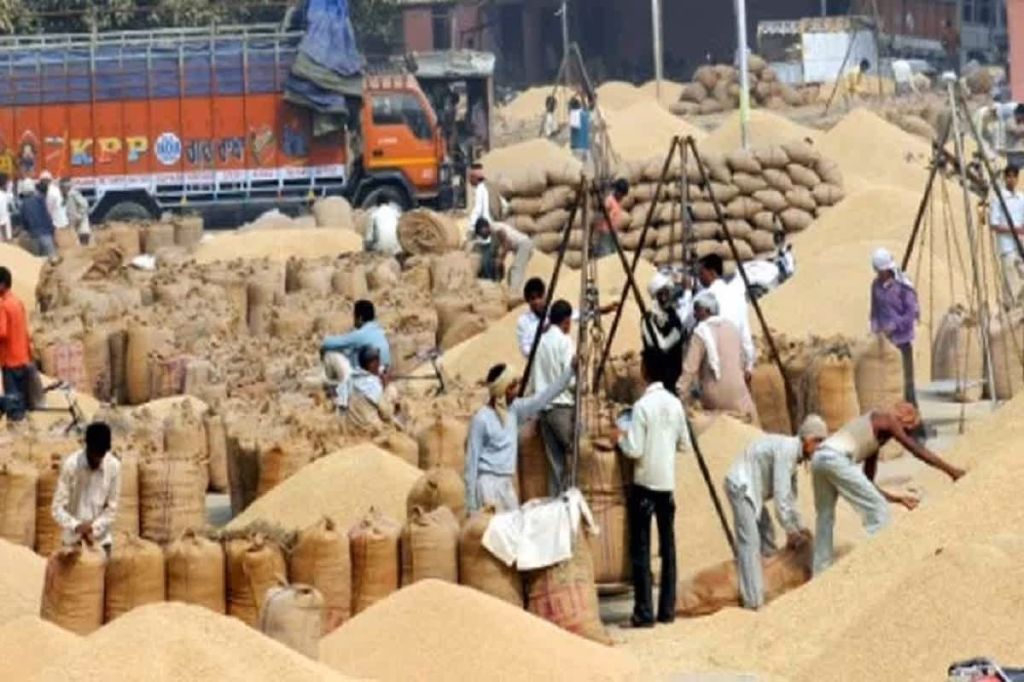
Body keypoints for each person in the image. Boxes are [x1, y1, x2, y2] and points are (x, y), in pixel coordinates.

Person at [811, 404, 965, 575]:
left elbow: (868, 483)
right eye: (908, 429)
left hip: (819, 458)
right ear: (905, 419)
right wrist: (951, 471)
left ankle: (820, 571)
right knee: (878, 512)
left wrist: (898, 499)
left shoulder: (874, 433)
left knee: (825, 517)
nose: (906, 434)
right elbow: (917, 450)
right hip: (836, 459)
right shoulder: (888, 418)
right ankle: (874, 566)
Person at [617, 347, 689, 627]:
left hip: (644, 484)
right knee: (668, 548)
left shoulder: (642, 407)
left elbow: (634, 449)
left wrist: (620, 438)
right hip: (666, 484)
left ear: (645, 371)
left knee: (642, 549)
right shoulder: (675, 405)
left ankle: (644, 612)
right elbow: (684, 444)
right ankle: (667, 610)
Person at [725, 415, 828, 610]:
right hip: (741, 485)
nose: (820, 448)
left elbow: (791, 498)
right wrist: (791, 530)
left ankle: (769, 582)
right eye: (818, 442)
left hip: (754, 489)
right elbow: (781, 498)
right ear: (808, 440)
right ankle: (753, 601)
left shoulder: (794, 457)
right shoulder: (786, 451)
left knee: (767, 534)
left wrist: (799, 527)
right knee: (750, 542)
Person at [465, 357, 576, 513]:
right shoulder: (481, 419)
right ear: (503, 389)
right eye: (513, 387)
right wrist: (471, 505)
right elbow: (471, 463)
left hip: (506, 484)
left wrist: (570, 371)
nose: (516, 392)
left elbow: (543, 397)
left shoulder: (515, 410)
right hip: (487, 485)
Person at [679, 291, 758, 422]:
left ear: (707, 310)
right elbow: (743, 357)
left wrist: (680, 393)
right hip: (739, 391)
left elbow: (689, 369)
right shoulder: (731, 326)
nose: (695, 315)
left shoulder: (700, 332)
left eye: (697, 310)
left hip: (715, 394)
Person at [52, 422, 121, 556]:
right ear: (86, 446)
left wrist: (92, 528)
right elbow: (57, 508)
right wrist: (76, 526)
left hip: (101, 542)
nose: (97, 460)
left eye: (101, 455)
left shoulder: (114, 467)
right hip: (73, 543)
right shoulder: (71, 466)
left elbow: (112, 508)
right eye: (93, 454)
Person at [532, 299, 576, 496]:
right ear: (566, 321)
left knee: (555, 465)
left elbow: (535, 377)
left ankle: (556, 503)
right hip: (562, 407)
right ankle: (570, 502)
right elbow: (571, 378)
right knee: (576, 456)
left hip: (544, 409)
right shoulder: (564, 342)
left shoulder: (541, 342)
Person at [869, 247, 920, 407]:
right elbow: (875, 311)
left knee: (906, 383)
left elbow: (911, 313)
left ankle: (912, 414)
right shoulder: (876, 286)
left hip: (901, 341)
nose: (880, 274)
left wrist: (894, 326)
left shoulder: (903, 287)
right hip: (884, 343)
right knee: (886, 383)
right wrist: (875, 329)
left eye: (882, 271)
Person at [696, 254, 755, 382]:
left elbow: (690, 328)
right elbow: (745, 334)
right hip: (737, 365)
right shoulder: (737, 296)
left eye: (701, 273)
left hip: (715, 368)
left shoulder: (703, 298)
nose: (699, 277)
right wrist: (749, 366)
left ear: (711, 272)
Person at [321, 300, 391, 386]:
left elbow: (328, 343)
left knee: (330, 354)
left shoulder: (361, 334)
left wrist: (323, 340)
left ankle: (332, 384)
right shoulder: (379, 331)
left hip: (369, 379)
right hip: (383, 375)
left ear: (360, 318)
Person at [641, 272, 686, 395]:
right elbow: (656, 345)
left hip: (673, 373)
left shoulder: (674, 316)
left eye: (667, 293)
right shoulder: (648, 319)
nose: (665, 297)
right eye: (661, 294)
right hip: (656, 375)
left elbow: (667, 344)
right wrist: (651, 321)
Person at [0, 267, 32, 422]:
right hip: (23, 359)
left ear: (2, 285)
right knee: (21, 402)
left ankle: (17, 429)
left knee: (13, 404)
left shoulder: (3, 305)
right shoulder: (18, 302)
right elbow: (25, 331)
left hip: (10, 361)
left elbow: (2, 333)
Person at [989, 164, 1024, 304]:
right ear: (1005, 178)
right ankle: (1009, 307)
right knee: (1010, 281)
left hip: (1020, 245)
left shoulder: (1021, 198)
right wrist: (1013, 230)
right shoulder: (999, 198)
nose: (1011, 180)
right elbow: (994, 225)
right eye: (1009, 176)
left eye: (1014, 177)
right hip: (1007, 247)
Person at [341, 346, 398, 433]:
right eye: (377, 361)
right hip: (369, 429)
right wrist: (385, 386)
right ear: (371, 364)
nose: (379, 363)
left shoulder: (353, 376)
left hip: (352, 426)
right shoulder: (372, 384)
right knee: (391, 390)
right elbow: (386, 414)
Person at [471, 218, 534, 293]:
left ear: (484, 227)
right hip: (521, 246)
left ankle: (514, 292)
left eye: (481, 233)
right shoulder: (494, 231)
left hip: (524, 244)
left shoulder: (495, 228)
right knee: (511, 273)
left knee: (516, 269)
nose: (482, 236)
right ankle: (512, 290)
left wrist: (500, 259)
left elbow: (507, 243)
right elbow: (503, 245)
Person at [21, 178, 55, 258]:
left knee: (37, 261)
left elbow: (25, 223)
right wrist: (52, 230)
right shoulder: (40, 199)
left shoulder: (23, 205)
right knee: (52, 260)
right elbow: (47, 216)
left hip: (34, 236)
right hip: (46, 234)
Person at [595, 178, 629, 258]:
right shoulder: (609, 200)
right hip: (605, 231)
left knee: (614, 254)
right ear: (617, 191)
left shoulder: (618, 202)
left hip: (613, 231)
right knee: (605, 254)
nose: (622, 197)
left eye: (623, 195)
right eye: (621, 194)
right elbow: (602, 212)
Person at [61, 178, 91, 246]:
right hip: (71, 222)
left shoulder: (74, 194)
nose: (62, 189)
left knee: (83, 237)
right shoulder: (63, 197)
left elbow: (84, 205)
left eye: (63, 187)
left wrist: (79, 215)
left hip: (81, 221)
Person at [467, 163, 492, 238]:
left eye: (470, 177)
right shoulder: (489, 186)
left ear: (475, 178)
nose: (469, 180)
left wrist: (471, 227)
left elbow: (478, 210)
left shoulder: (480, 189)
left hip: (484, 228)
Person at [41, 170, 69, 234]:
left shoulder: (51, 192)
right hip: (63, 222)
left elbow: (48, 210)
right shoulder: (56, 189)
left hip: (56, 224)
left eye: (43, 181)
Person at [568, 96, 591, 165]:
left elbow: (574, 127)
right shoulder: (585, 114)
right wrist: (582, 97)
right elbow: (586, 107)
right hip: (585, 147)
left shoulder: (573, 114)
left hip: (576, 147)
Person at [0, 172, 11, 242]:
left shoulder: (4, 195)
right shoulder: (2, 197)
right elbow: (2, 221)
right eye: (8, 183)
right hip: (2, 237)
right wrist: (6, 240)